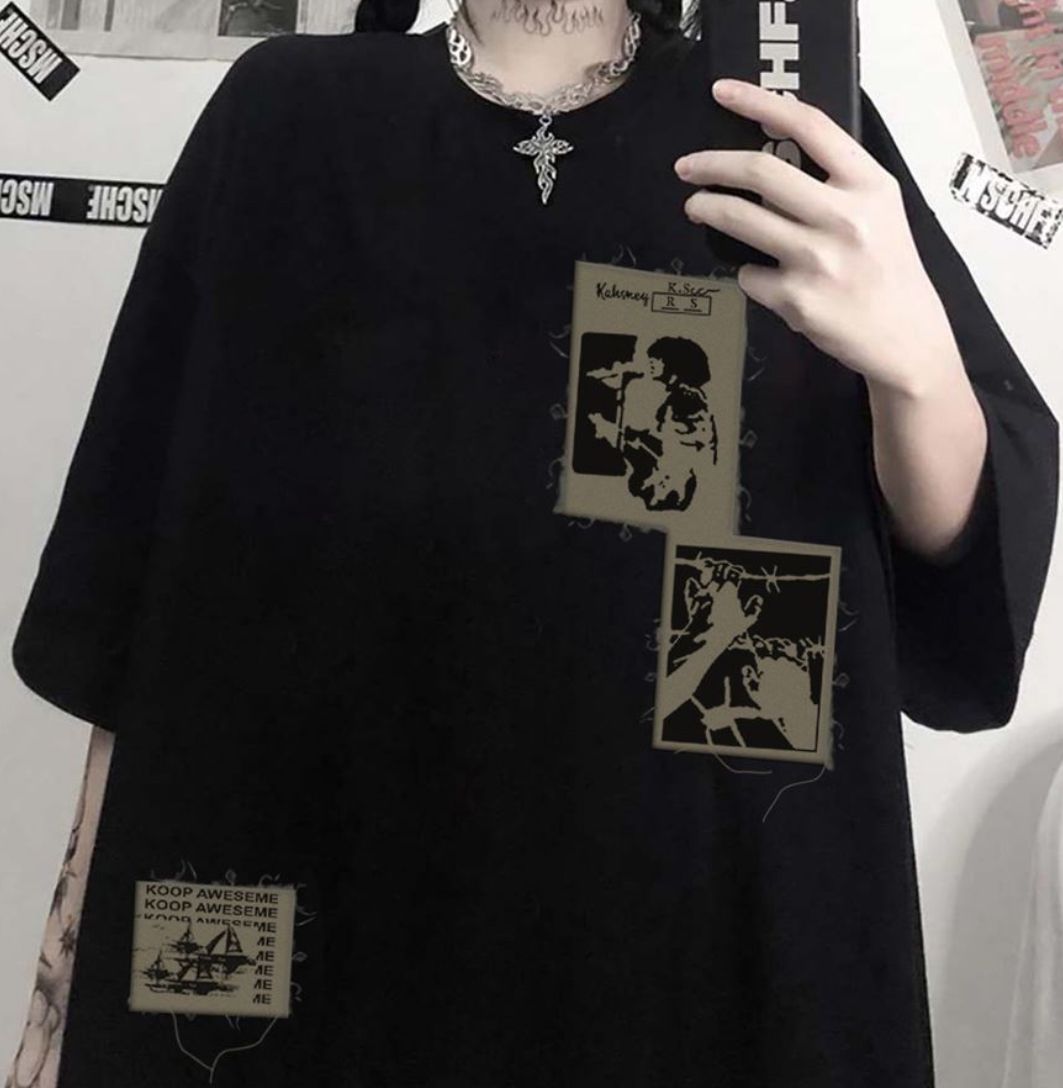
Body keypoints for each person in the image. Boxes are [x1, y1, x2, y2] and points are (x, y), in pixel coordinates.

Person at [6, 0, 1058, 1085]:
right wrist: (61, 969)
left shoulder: (775, 122)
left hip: (695, 946)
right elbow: (133, 587)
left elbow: (958, 566)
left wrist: (917, 366)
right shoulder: (286, 117)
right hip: (323, 913)